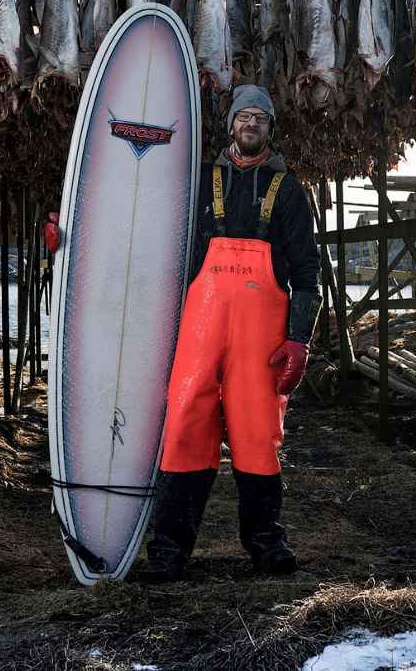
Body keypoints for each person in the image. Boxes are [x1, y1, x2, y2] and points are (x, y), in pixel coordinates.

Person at [134, 83, 322, 582]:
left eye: (261, 117)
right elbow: (142, 223)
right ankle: (169, 552)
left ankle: (266, 546)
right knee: (183, 434)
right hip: (199, 335)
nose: (251, 124)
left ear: (270, 129)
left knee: (258, 438)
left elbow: (307, 272)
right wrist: (72, 228)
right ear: (230, 124)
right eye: (244, 116)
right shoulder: (196, 181)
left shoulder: (290, 192)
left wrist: (299, 339)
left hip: (259, 345)